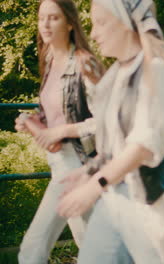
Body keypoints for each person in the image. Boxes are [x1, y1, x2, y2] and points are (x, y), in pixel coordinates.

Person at [57, 0, 164, 263]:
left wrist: (94, 186)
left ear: (127, 24)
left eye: (101, 23)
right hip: (114, 199)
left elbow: (142, 146)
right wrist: (88, 171)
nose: (93, 34)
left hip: (149, 204)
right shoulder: (114, 76)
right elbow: (113, 141)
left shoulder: (157, 73)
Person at [14, 0, 104, 263]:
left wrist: (62, 130)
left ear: (69, 23)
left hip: (80, 164)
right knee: (94, 247)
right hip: (59, 163)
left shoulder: (86, 64)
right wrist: (35, 121)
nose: (45, 24)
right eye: (42, 18)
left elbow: (110, 120)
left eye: (53, 18)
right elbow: (59, 108)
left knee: (33, 248)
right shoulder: (50, 59)